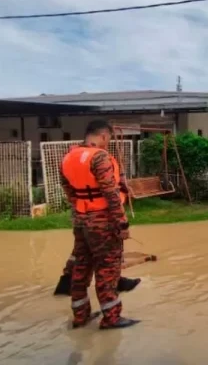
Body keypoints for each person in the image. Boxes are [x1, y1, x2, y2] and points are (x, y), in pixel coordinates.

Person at [60, 119, 140, 330]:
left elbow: (68, 190)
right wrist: (122, 224)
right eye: (109, 138)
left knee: (81, 267)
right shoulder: (100, 157)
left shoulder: (68, 157)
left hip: (81, 220)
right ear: (104, 136)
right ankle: (111, 317)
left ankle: (81, 315)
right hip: (103, 221)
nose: (108, 142)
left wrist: (82, 208)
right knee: (107, 269)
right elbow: (111, 193)